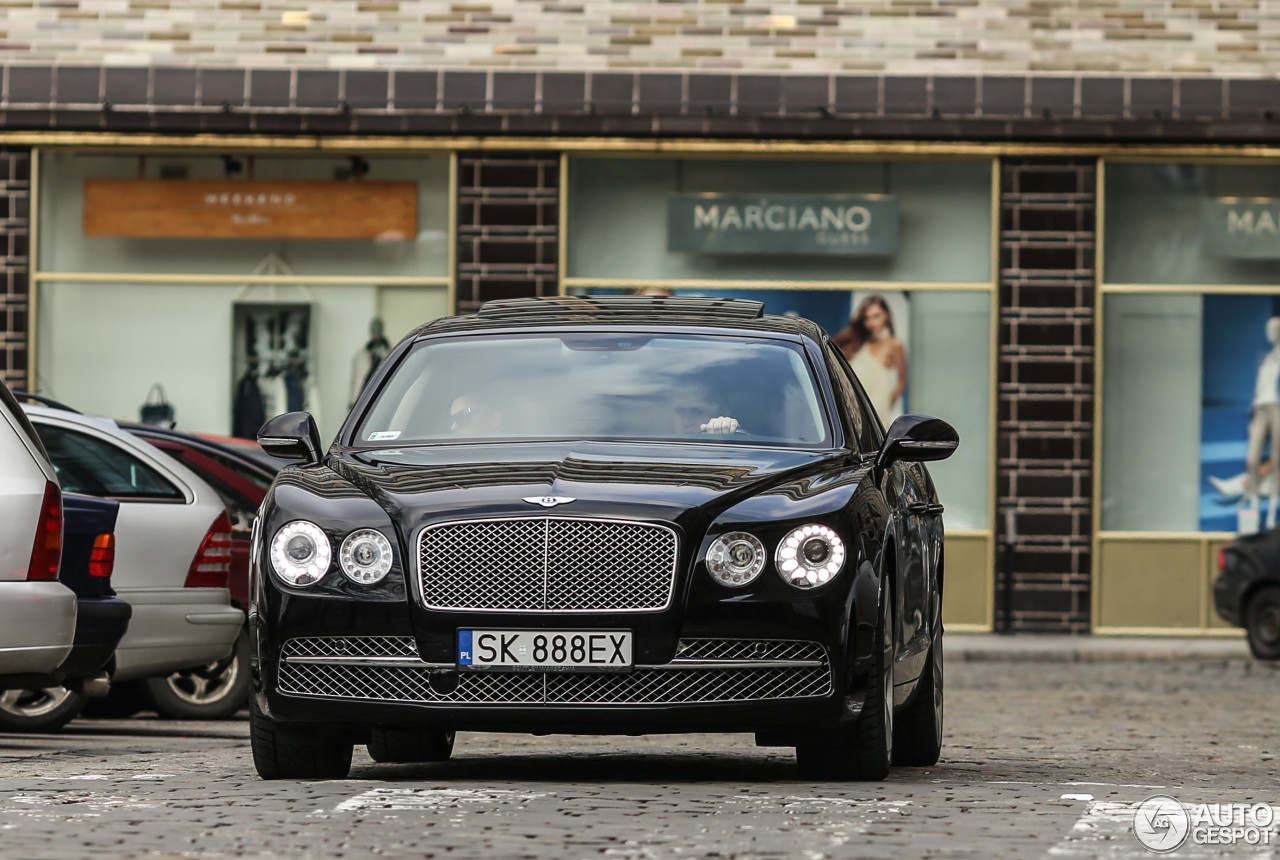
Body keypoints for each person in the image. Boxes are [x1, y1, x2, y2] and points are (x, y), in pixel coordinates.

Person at [834, 294, 908, 424]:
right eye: (867, 318)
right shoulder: (856, 345)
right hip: (851, 414)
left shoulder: (894, 344)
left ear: (886, 315)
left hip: (877, 416)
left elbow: (902, 381)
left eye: (876, 316)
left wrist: (887, 405)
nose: (872, 322)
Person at [670, 383, 740, 435]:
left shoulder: (739, 450)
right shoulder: (660, 444)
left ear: (722, 412)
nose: (687, 422)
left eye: (698, 412)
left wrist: (726, 432)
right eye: (680, 412)